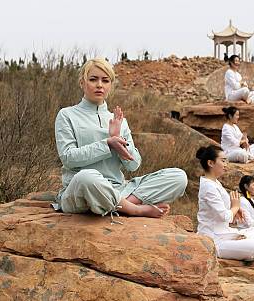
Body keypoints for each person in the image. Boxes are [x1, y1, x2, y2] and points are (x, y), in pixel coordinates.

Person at [53, 57, 188, 222]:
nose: (99, 85)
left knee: (178, 176)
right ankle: (134, 209)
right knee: (86, 177)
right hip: (82, 190)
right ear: (82, 82)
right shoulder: (67, 115)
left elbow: (133, 165)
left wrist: (118, 140)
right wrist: (108, 144)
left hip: (119, 187)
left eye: (105, 80)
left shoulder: (118, 120)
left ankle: (117, 204)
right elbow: (68, 158)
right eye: (93, 79)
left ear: (111, 85)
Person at [196, 145, 254, 261]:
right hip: (212, 239)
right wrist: (235, 206)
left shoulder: (215, 183)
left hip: (222, 233)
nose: (226, 164)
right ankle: (216, 249)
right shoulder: (208, 186)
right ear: (211, 163)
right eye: (223, 161)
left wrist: (235, 209)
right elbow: (225, 217)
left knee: (253, 234)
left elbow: (222, 210)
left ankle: (234, 242)